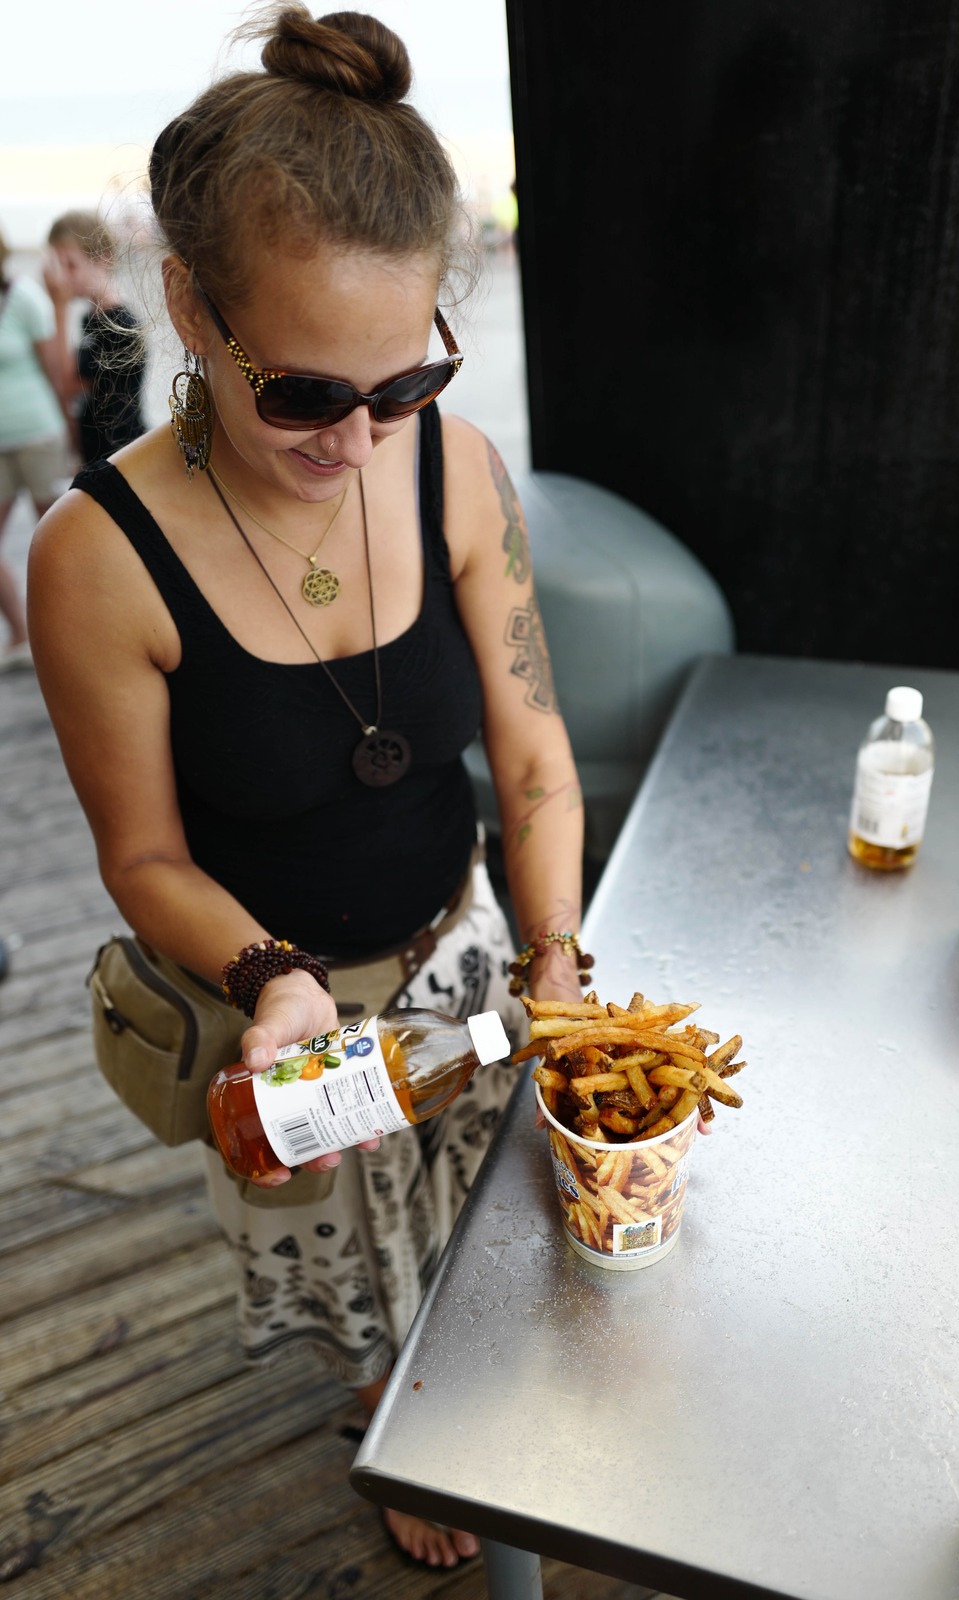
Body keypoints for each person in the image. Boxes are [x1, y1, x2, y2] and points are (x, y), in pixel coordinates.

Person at [27, 6, 587, 1572]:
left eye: (398, 386)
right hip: (286, 998)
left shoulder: (457, 468)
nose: (354, 437)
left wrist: (550, 959)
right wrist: (273, 982)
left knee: (498, 1217)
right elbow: (140, 854)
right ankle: (390, 1409)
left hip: (464, 937)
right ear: (190, 306)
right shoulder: (96, 560)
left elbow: (530, 747)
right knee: (366, 1268)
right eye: (301, 397)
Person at [0, 227, 67, 667]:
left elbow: (58, 371)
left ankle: (78, 632)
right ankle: (21, 635)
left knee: (66, 538)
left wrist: (73, 435)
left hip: (39, 436)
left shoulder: (24, 297)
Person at [43, 209, 146, 465]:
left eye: (71, 265)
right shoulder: (90, 318)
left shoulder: (122, 325)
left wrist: (59, 307)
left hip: (121, 455)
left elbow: (66, 385)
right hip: (95, 452)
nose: (63, 278)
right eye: (59, 266)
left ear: (104, 259)